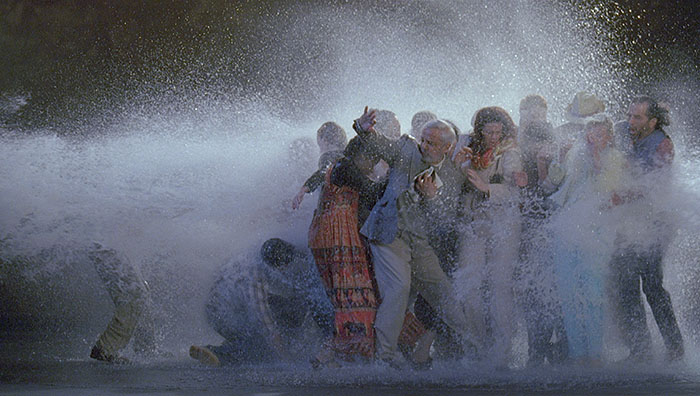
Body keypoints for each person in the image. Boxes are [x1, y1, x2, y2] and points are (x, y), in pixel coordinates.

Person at [354, 107, 486, 367]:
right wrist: (363, 128)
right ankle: (384, 358)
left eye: (432, 143)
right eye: (423, 140)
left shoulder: (452, 173)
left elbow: (444, 220)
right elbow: (379, 143)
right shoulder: (405, 148)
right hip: (389, 234)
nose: (425, 146)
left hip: (420, 242)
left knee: (444, 294)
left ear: (447, 148)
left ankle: (480, 350)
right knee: (399, 288)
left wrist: (432, 198)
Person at [543, 115, 626, 365]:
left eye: (600, 135)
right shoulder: (575, 154)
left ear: (610, 137)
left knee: (592, 290)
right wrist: (560, 156)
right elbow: (553, 183)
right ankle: (578, 354)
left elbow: (606, 190)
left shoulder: (616, 158)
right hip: (568, 226)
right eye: (590, 135)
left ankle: (595, 353)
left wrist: (596, 157)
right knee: (568, 291)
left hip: (597, 229)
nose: (593, 140)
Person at [608, 95, 684, 362]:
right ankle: (640, 349)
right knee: (625, 283)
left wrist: (623, 195)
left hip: (656, 222)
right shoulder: (625, 131)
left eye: (637, 117)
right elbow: (595, 125)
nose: (630, 120)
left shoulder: (662, 144)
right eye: (629, 115)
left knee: (652, 285)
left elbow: (656, 186)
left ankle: (675, 348)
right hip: (630, 222)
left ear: (652, 121)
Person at [189, 238, 333, 366]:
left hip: (237, 303)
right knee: (260, 344)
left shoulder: (274, 251)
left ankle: (233, 345)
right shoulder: (254, 278)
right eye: (283, 267)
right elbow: (266, 323)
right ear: (274, 266)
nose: (286, 270)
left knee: (292, 306)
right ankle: (218, 353)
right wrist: (287, 360)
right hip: (219, 314)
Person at [454, 106, 524, 368]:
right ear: (479, 131)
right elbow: (454, 178)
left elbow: (513, 190)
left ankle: (505, 349)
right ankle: (476, 345)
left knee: (500, 285)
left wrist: (487, 188)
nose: (494, 136)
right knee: (469, 283)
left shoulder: (511, 152)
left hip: (503, 222)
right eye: (489, 131)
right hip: (473, 221)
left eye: (498, 131)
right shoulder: (466, 147)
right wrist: (459, 163)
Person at [308, 136, 386, 361]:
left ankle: (330, 353)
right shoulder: (347, 168)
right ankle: (337, 353)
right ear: (362, 156)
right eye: (372, 161)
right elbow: (372, 192)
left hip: (330, 238)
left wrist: (304, 188)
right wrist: (397, 176)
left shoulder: (339, 165)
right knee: (356, 298)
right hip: (340, 240)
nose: (372, 167)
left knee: (346, 299)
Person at [516, 95, 569, 366]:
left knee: (556, 288)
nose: (540, 149)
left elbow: (559, 189)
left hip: (555, 229)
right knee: (532, 290)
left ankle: (562, 349)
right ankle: (536, 351)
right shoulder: (515, 151)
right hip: (527, 229)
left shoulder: (559, 154)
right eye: (528, 114)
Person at [292, 122, 348, 209]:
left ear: (325, 141)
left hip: (337, 210)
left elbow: (325, 171)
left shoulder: (328, 156)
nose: (319, 149)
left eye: (319, 144)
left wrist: (304, 189)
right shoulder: (349, 154)